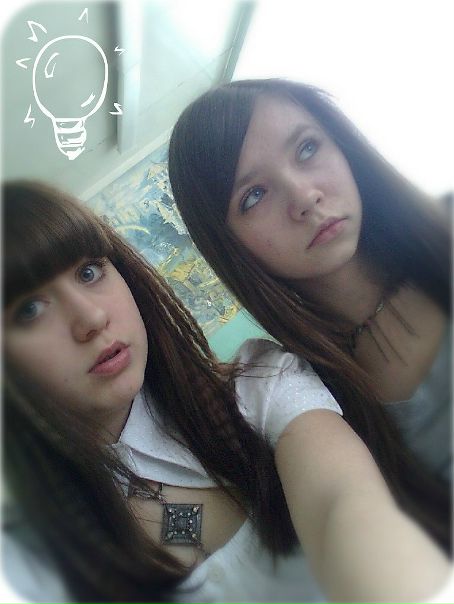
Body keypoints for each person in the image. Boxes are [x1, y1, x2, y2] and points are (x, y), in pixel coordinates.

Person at [2, 181, 450, 604]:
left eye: (89, 271)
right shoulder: (27, 561)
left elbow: (343, 503)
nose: (91, 318)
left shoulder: (257, 382)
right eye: (29, 309)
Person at [168, 78, 452, 554]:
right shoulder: (301, 396)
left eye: (306, 148)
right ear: (228, 244)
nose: (303, 197)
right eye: (254, 195)